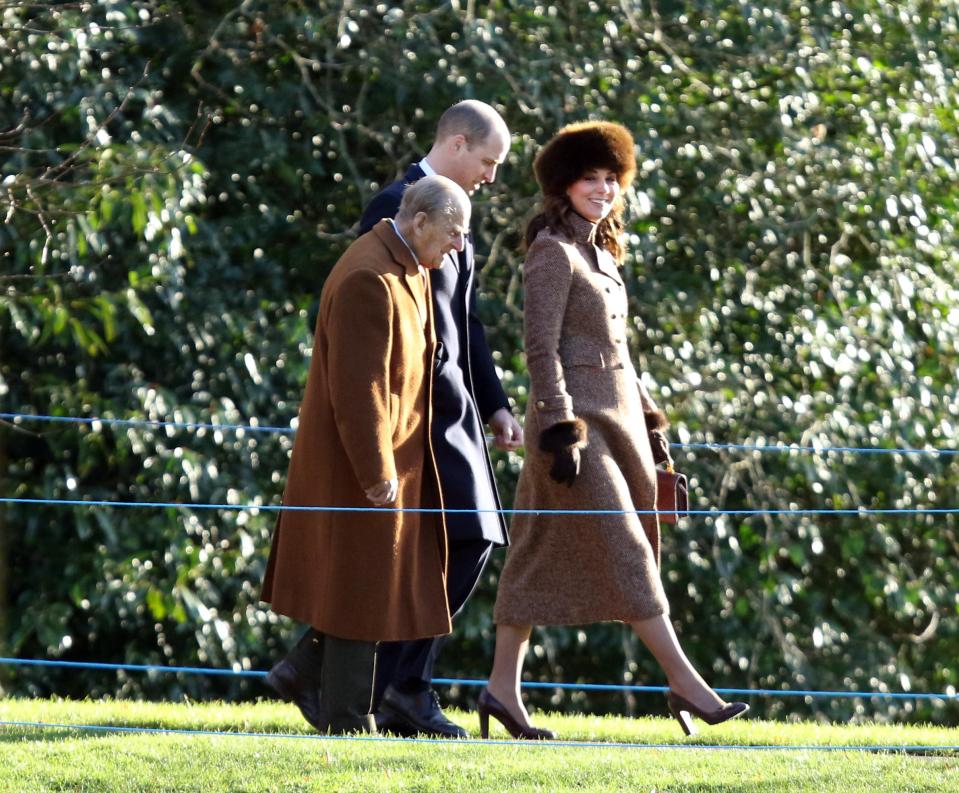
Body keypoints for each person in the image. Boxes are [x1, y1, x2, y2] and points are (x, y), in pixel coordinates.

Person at [480, 122, 748, 740]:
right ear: (564, 186)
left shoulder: (603, 254)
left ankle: (500, 690)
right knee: (626, 548)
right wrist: (559, 426)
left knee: (533, 552)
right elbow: (539, 348)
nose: (602, 190)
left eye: (611, 179)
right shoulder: (552, 250)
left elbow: (621, 353)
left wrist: (653, 426)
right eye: (589, 179)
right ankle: (685, 681)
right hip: (574, 428)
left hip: (620, 422)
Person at [261, 176, 471, 735]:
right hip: (360, 463)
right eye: (453, 234)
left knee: (378, 582)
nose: (457, 247)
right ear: (419, 221)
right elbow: (361, 390)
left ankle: (301, 671)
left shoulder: (410, 267)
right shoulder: (368, 276)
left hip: (396, 457)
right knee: (360, 589)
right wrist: (377, 472)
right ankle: (347, 720)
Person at [352, 100, 522, 739]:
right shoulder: (395, 204)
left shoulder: (457, 216)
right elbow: (377, 317)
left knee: (469, 539)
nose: (492, 176)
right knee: (467, 537)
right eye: (488, 162)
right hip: (417, 416)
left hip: (458, 411)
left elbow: (465, 323)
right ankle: (396, 687)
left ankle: (393, 685)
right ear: (456, 143)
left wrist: (497, 402)